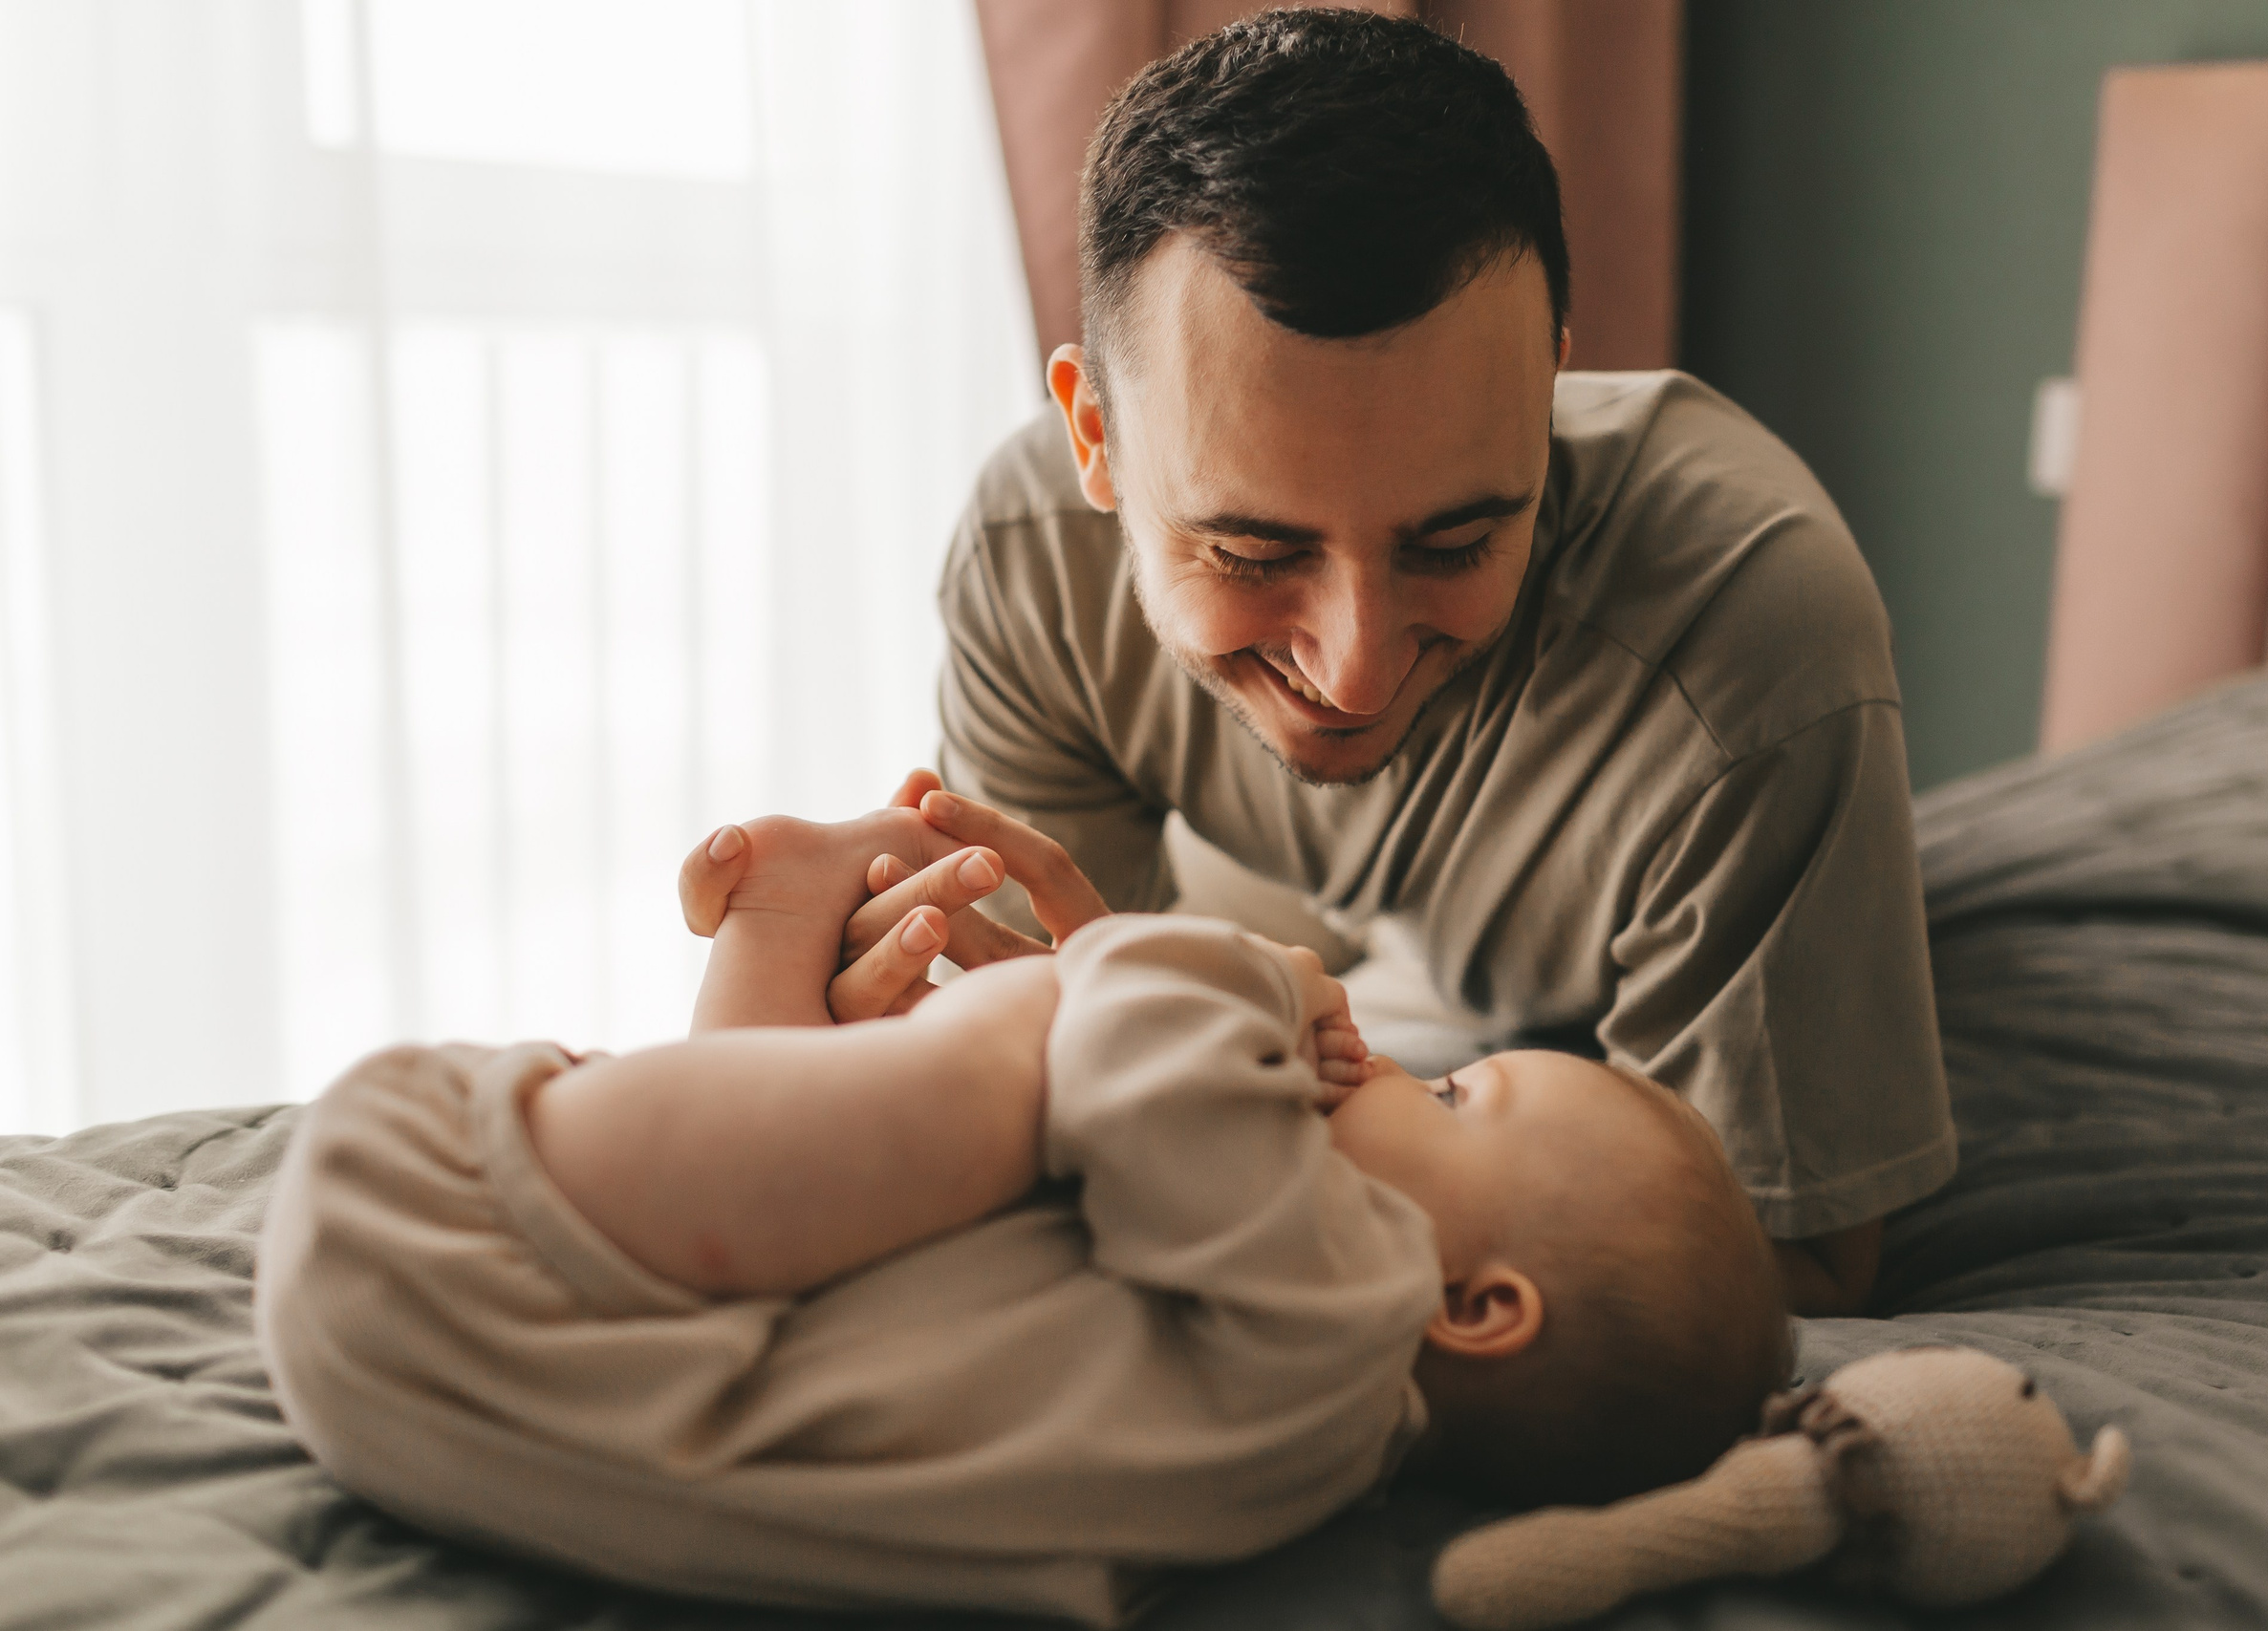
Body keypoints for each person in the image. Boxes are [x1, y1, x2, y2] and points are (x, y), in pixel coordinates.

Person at [808, 9, 1958, 1318]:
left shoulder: (1749, 632)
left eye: (1458, 539)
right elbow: (1019, 1075)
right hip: (1267, 905)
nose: (1352, 674)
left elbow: (1786, 1273)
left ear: (1549, 393)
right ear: (1096, 440)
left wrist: (1306, 1093)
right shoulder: (1034, 563)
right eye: (1249, 551)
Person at [254, 804, 1792, 1626]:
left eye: (1456, 1101)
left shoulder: (1336, 1306)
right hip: (558, 1366)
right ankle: (789, 920)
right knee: (966, 1172)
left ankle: (756, 954)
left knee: (1039, 1032)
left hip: (449, 1225)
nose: (1392, 1063)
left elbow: (1132, 1057)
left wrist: (1243, 970)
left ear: (1473, 1305)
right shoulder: (1280, 1429)